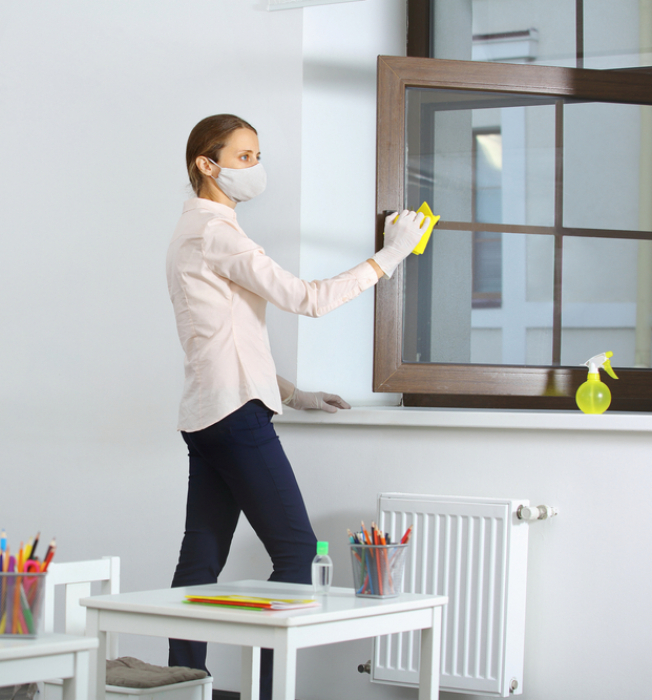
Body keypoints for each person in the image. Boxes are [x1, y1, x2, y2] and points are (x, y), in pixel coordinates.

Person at [165, 114, 427, 699]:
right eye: (243, 158)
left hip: (205, 415)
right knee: (298, 552)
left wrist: (295, 394)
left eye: (257, 156)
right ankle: (267, 690)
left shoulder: (188, 234)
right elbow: (308, 300)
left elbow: (225, 341)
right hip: (234, 417)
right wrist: (391, 256)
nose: (255, 169)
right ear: (207, 166)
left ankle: (178, 685)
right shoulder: (220, 235)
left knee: (201, 557)